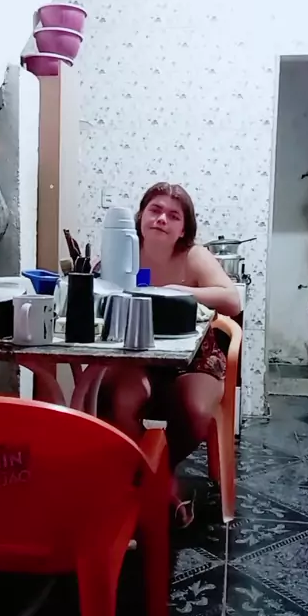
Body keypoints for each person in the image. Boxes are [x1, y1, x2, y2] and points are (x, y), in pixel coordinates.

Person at [100, 182, 242, 526]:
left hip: (195, 357)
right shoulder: (124, 250)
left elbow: (233, 301)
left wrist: (178, 290)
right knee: (117, 399)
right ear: (141, 217)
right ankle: (159, 486)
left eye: (173, 215)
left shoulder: (193, 256)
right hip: (138, 353)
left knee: (195, 409)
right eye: (155, 210)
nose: (162, 219)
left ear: (183, 229)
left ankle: (150, 479)